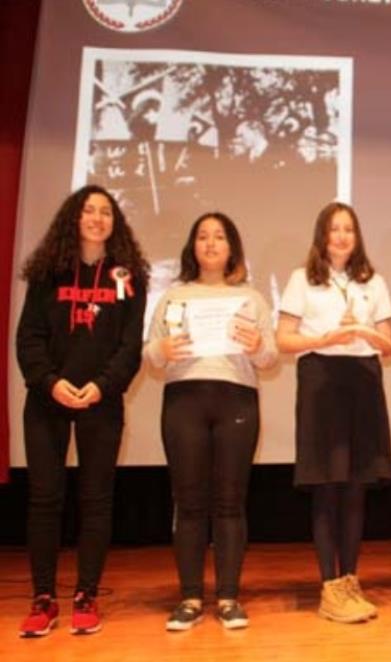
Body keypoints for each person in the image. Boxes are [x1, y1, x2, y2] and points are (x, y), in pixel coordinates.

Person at [16, 184, 148, 637]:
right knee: (44, 499)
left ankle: (86, 595)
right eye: (89, 210)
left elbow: (130, 346)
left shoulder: (128, 277)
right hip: (47, 400)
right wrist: (50, 383)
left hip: (100, 402)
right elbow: (28, 338)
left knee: (95, 500)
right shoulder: (47, 272)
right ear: (74, 218)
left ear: (115, 222)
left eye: (106, 212)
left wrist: (102, 386)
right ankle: (43, 598)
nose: (97, 218)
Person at [144, 212, 278, 631]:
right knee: (188, 502)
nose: (211, 243)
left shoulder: (251, 299)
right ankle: (189, 598)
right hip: (184, 401)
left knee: (230, 502)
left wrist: (257, 346)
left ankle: (228, 598)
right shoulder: (174, 297)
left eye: (219, 236)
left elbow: (270, 358)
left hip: (236, 400)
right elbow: (150, 354)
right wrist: (163, 349)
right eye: (202, 236)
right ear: (193, 247)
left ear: (231, 247)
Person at [275, 202, 391, 624]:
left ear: (357, 236)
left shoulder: (373, 281)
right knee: (327, 484)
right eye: (334, 229)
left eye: (349, 229)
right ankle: (330, 587)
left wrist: (367, 333)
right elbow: (283, 339)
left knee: (357, 485)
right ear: (322, 236)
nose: (342, 236)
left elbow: (390, 343)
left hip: (363, 378)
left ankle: (350, 580)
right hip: (321, 379)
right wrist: (325, 338)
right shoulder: (302, 278)